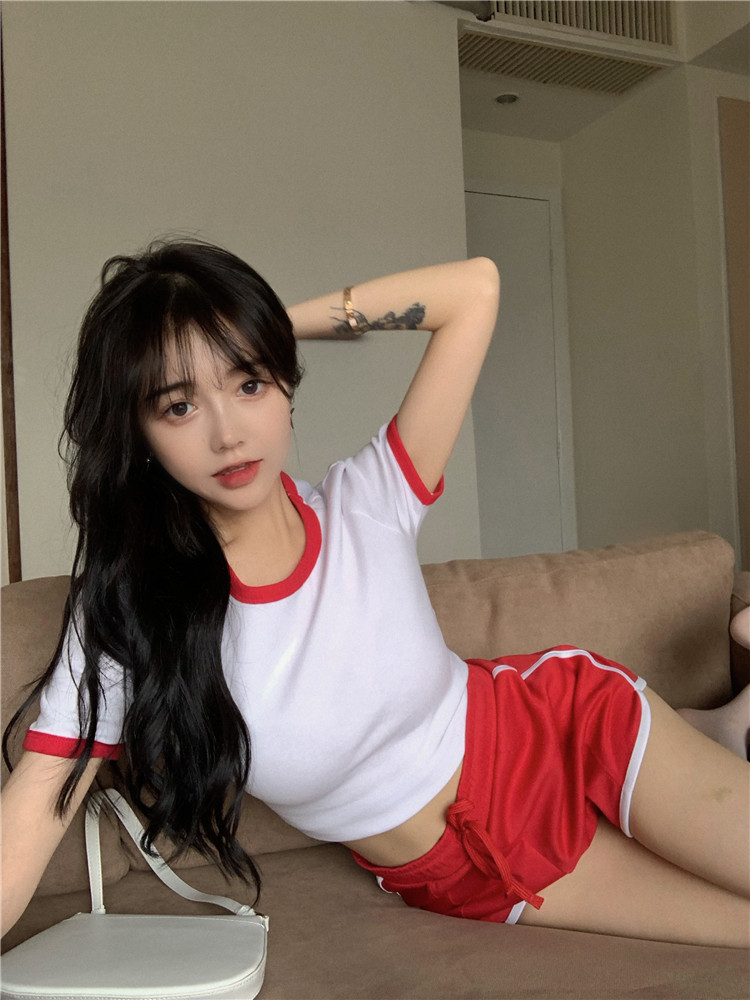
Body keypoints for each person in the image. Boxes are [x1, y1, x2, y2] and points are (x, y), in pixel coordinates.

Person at [2, 240, 749, 948]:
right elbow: (40, 797)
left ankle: (709, 731)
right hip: (455, 871)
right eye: (179, 406)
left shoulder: (368, 502)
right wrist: (238, 349)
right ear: (140, 434)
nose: (228, 434)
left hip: (570, 731)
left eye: (249, 382)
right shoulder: (134, 608)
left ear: (283, 385)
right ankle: (723, 729)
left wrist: (265, 324)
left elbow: (474, 290)